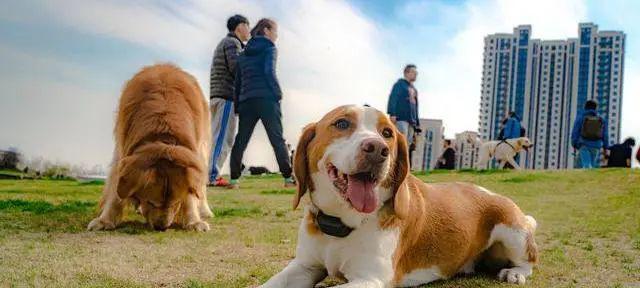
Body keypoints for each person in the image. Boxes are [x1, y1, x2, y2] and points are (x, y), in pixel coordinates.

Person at [229, 18, 294, 189]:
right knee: (277, 139)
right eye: (275, 31)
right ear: (266, 30)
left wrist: (237, 106)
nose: (277, 35)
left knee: (241, 140)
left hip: (246, 101)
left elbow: (238, 82)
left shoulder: (243, 53)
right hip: (266, 99)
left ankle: (234, 180)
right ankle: (288, 179)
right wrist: (278, 93)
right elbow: (269, 71)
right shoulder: (270, 48)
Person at [208, 14, 251, 186]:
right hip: (226, 97)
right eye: (248, 26)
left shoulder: (229, 43)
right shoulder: (232, 43)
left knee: (222, 137)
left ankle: (210, 174)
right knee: (222, 138)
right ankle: (211, 176)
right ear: (240, 27)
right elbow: (236, 68)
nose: (249, 31)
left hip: (221, 97)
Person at [387, 64, 420, 144]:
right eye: (413, 72)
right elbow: (393, 98)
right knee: (400, 142)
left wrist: (417, 123)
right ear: (406, 73)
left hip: (412, 121)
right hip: (401, 118)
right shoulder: (400, 84)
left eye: (416, 73)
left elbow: (416, 107)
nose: (416, 74)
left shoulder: (414, 89)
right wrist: (392, 114)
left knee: (407, 144)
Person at [571, 100, 609, 169]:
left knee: (586, 165)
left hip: (584, 144)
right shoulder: (601, 119)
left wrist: (574, 143)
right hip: (596, 145)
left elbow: (575, 131)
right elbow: (605, 134)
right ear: (596, 108)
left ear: (585, 107)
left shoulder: (581, 117)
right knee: (589, 164)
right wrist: (605, 147)